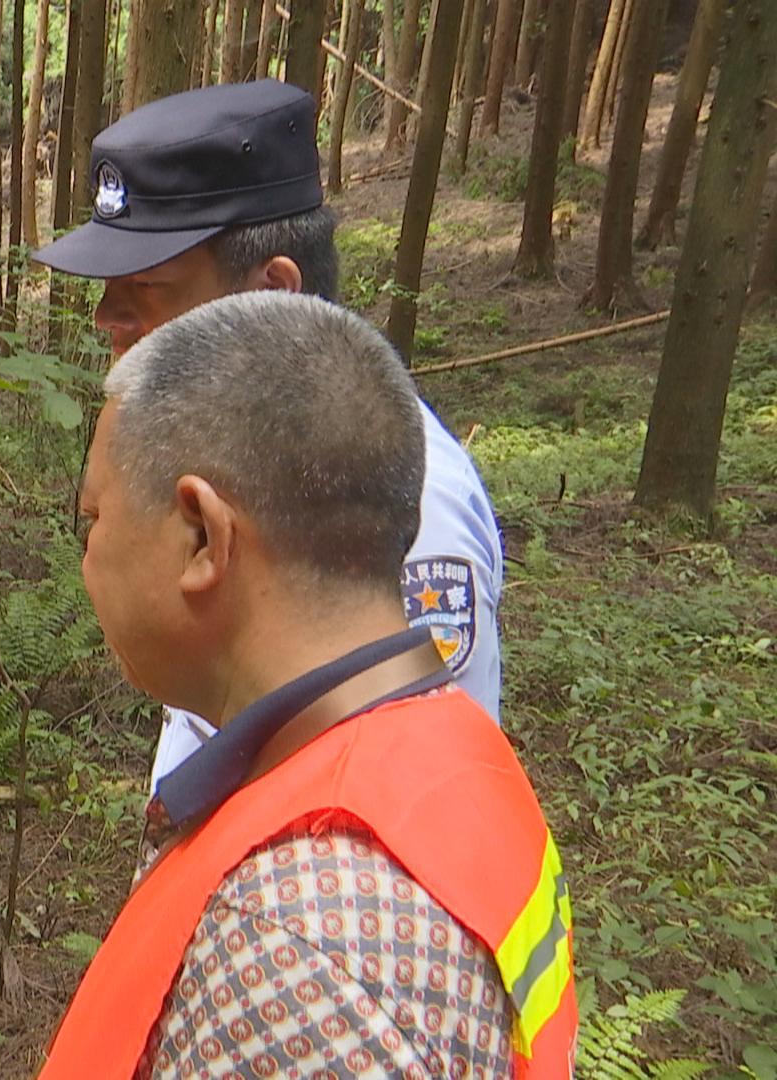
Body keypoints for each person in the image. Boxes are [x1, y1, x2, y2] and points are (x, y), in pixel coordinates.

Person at [42, 293, 575, 1077]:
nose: (86, 551)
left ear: (200, 535)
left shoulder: (294, 941)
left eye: (92, 515)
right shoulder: (449, 751)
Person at [32, 80, 505, 790]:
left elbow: (406, 792)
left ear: (275, 291)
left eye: (146, 289)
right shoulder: (234, 455)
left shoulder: (396, 496)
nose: (107, 318)